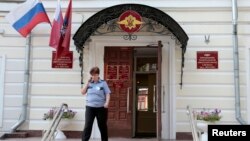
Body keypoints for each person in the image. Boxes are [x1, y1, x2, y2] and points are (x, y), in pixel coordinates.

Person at [81, 66, 111, 141]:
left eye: (94, 75)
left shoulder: (103, 83)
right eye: (92, 75)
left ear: (98, 75)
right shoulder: (89, 83)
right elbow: (83, 92)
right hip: (90, 107)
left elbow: (107, 94)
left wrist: (107, 103)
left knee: (102, 126)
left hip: (101, 108)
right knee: (88, 125)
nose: (93, 76)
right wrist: (87, 84)